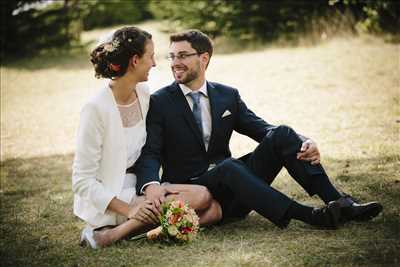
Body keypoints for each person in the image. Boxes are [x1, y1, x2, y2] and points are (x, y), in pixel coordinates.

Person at [135, 29, 383, 229]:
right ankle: (309, 216)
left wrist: (306, 140)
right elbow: (151, 151)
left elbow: (263, 129)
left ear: (204, 58)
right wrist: (151, 184)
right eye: (172, 56)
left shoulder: (227, 96)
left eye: (183, 55)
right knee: (230, 167)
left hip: (236, 192)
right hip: (196, 190)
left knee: (283, 133)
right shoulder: (160, 101)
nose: (175, 63)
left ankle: (339, 202)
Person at [72, 27, 221, 249]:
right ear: (134, 60)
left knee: (214, 210)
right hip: (112, 197)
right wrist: (129, 208)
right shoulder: (95, 108)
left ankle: (132, 231)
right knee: (201, 200)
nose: (154, 63)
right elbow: (82, 181)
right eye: (150, 56)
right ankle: (108, 236)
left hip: (140, 185)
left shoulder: (142, 92)